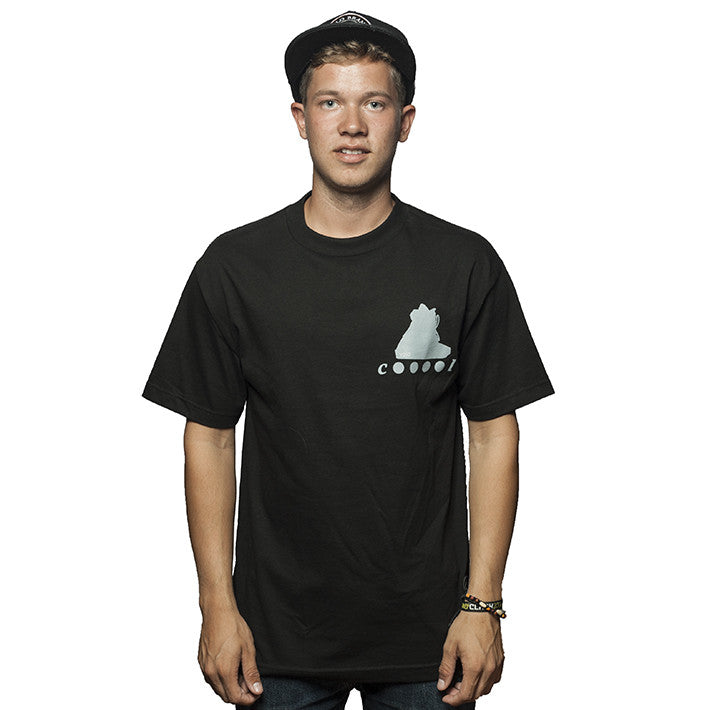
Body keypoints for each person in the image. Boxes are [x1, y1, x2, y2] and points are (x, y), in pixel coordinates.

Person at [141, 10, 554, 709]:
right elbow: (209, 435)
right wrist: (216, 606)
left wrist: (483, 605)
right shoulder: (235, 266)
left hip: (432, 637)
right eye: (331, 102)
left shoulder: (463, 262)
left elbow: (492, 432)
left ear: (406, 120)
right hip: (276, 636)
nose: (353, 125)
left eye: (375, 104)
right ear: (301, 119)